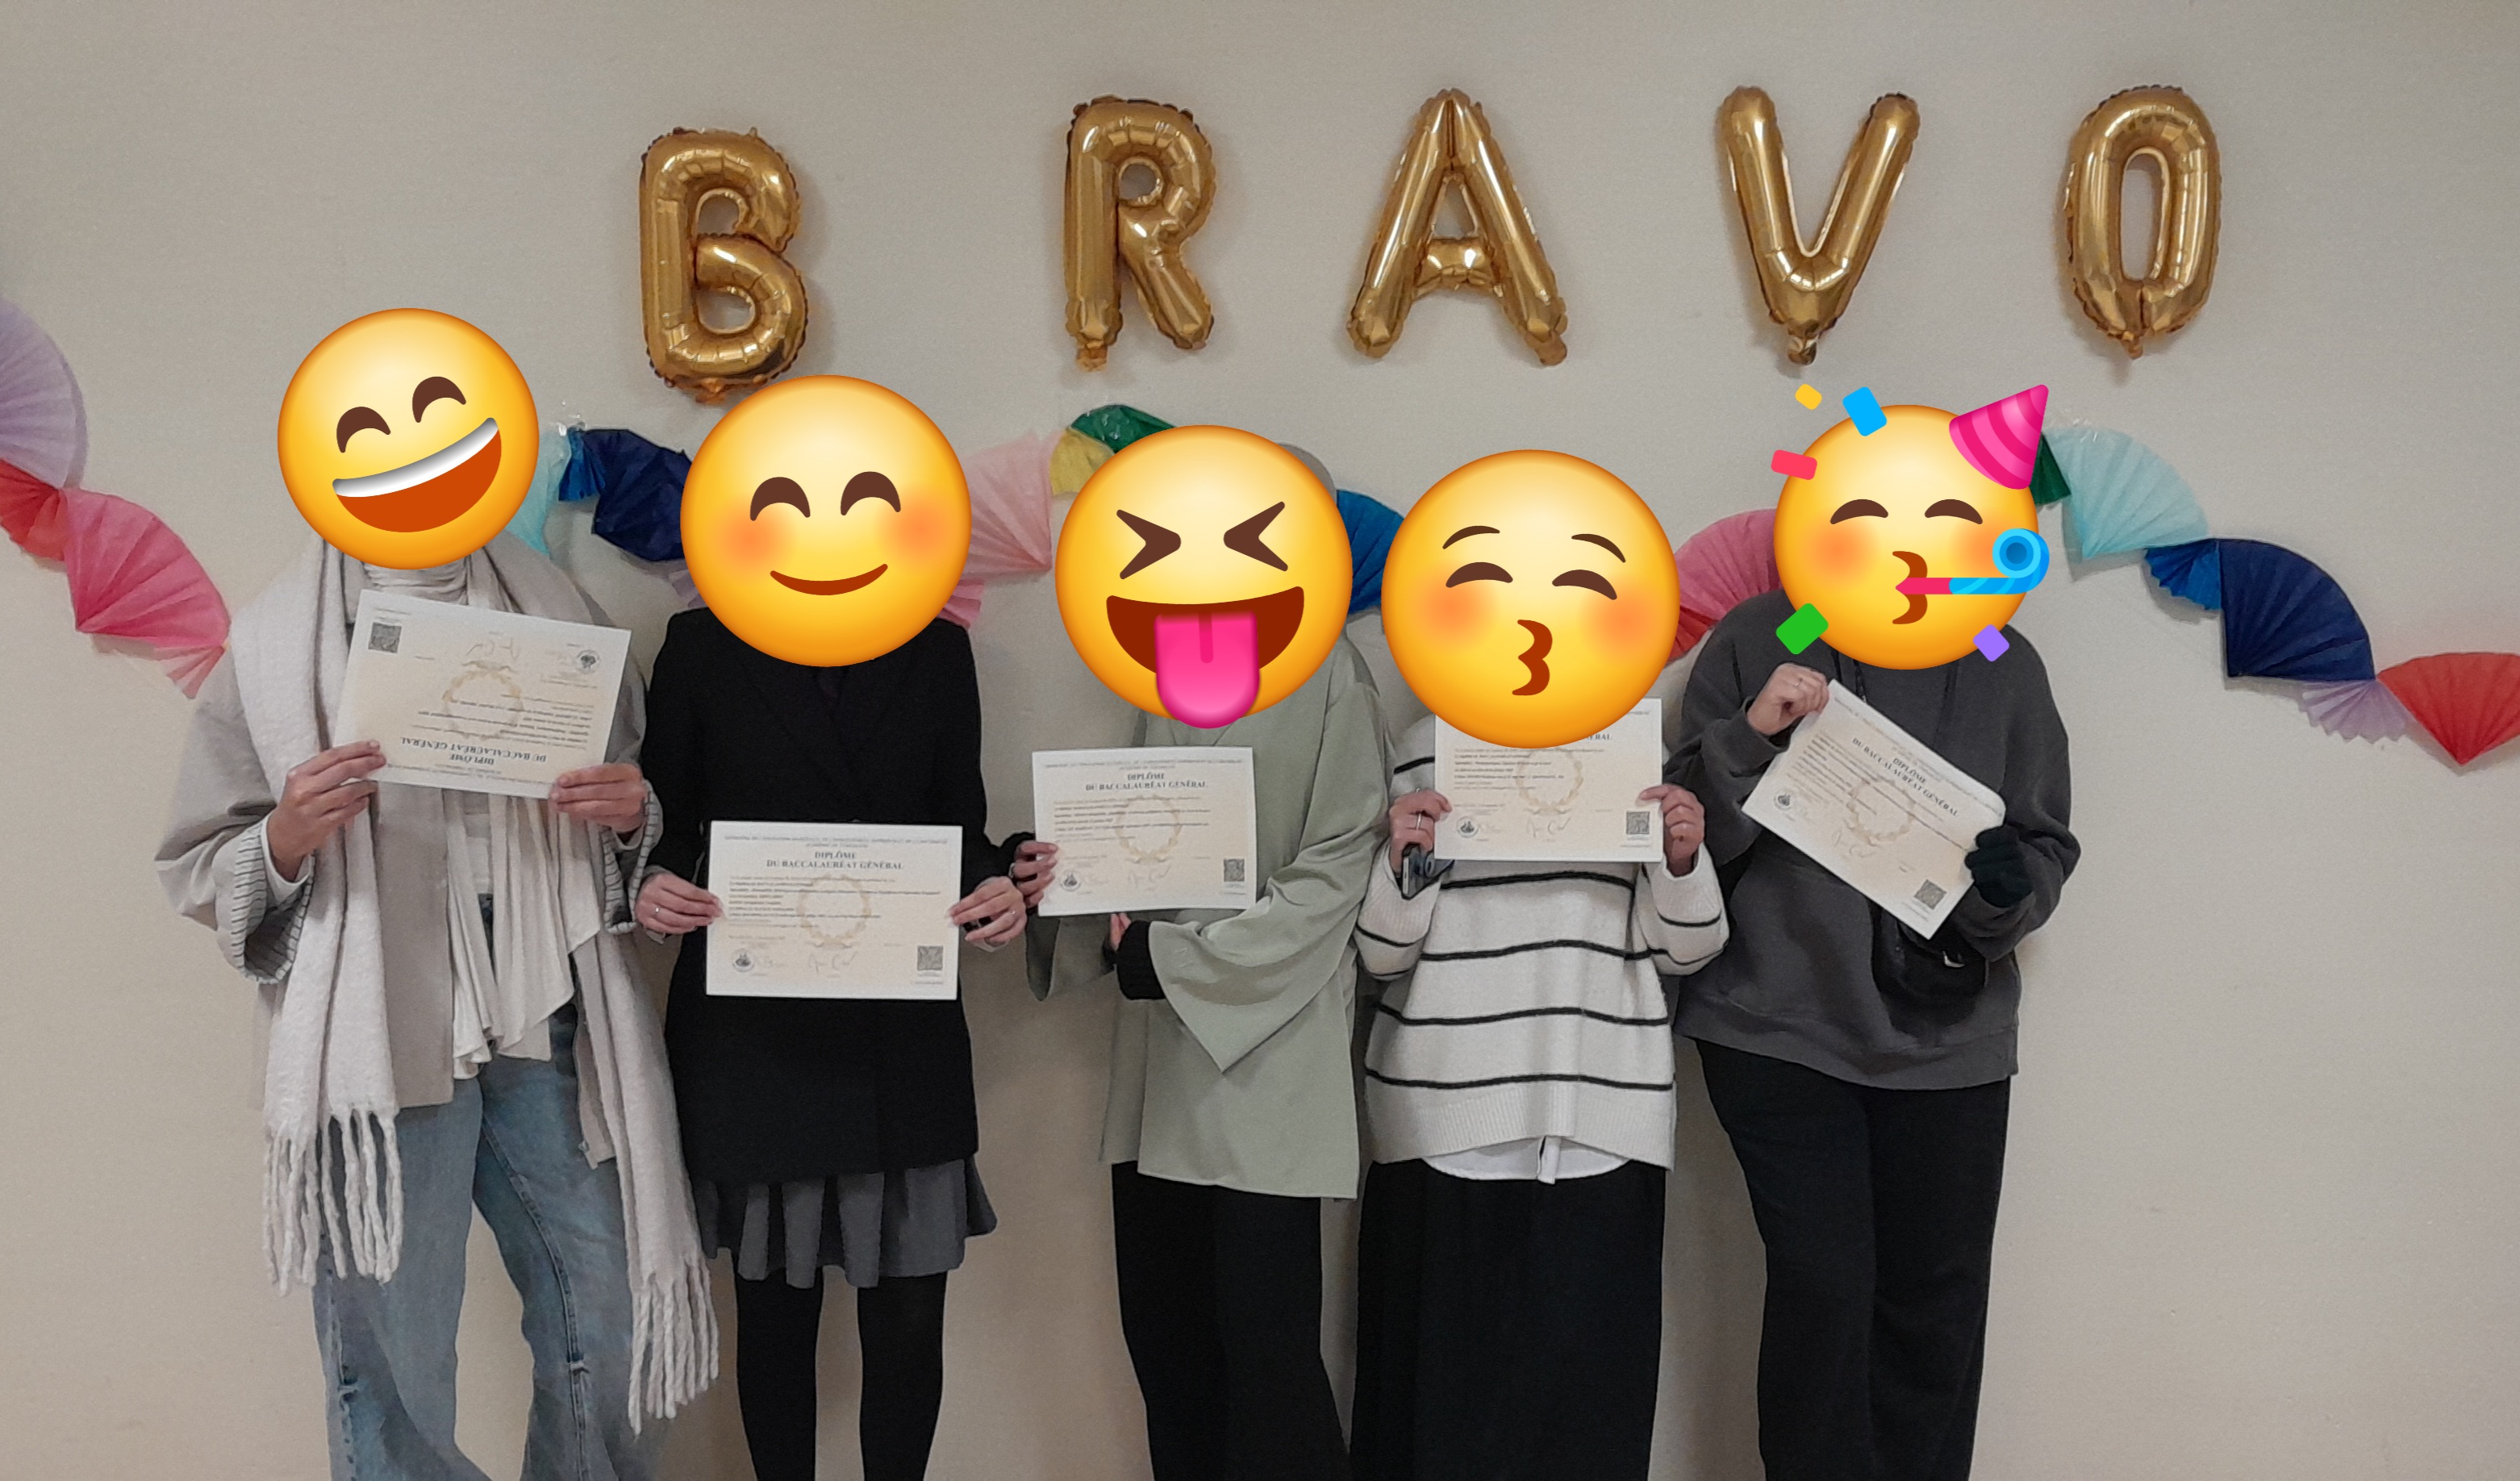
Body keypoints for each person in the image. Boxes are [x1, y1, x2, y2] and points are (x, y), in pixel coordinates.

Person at [156, 533, 714, 1481]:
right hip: (377, 1016)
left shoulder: (555, 611)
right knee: (392, 1352)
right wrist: (287, 834)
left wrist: (630, 814)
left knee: (612, 1317)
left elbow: (632, 809)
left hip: (549, 998)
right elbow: (199, 859)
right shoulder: (275, 640)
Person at [1671, 589, 2078, 1481]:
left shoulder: (1999, 654)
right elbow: (1688, 834)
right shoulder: (1775, 629)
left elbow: (2043, 848)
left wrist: (2005, 889)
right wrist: (1752, 733)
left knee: (1936, 1306)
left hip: (1951, 1036)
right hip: (1773, 1025)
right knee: (1824, 1288)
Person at [632, 606, 1028, 1481]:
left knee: (910, 1319)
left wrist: (998, 885)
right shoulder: (701, 644)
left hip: (902, 1030)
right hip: (756, 1034)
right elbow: (667, 822)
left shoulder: (937, 647)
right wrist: (653, 882)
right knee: (774, 1316)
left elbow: (959, 829)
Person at [1014, 636, 1387, 1481]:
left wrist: (1171, 960)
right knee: (1168, 1349)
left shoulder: (1330, 672)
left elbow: (1339, 869)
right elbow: (1138, 842)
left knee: (1269, 1362)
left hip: (1270, 1063)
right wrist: (1062, 879)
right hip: (1158, 1070)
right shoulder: (1160, 668)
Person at [1346, 714, 1731, 1480]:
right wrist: (1405, 860)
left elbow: (1689, 950)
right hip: (1443, 1116)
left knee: (1589, 1428)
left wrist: (1681, 859)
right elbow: (1381, 956)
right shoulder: (1427, 748)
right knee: (1434, 1427)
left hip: (1603, 1123)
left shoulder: (1633, 748)